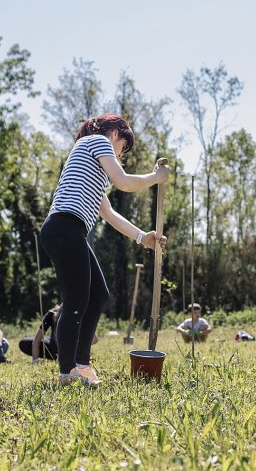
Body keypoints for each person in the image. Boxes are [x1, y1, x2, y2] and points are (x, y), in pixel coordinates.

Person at [38, 114, 168, 387]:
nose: (121, 153)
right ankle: (67, 372)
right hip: (64, 227)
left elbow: (109, 214)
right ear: (115, 133)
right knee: (76, 298)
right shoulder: (96, 141)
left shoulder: (92, 171)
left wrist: (143, 237)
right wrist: (155, 178)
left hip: (70, 231)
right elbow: (123, 182)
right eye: (124, 145)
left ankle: (82, 364)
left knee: (98, 294)